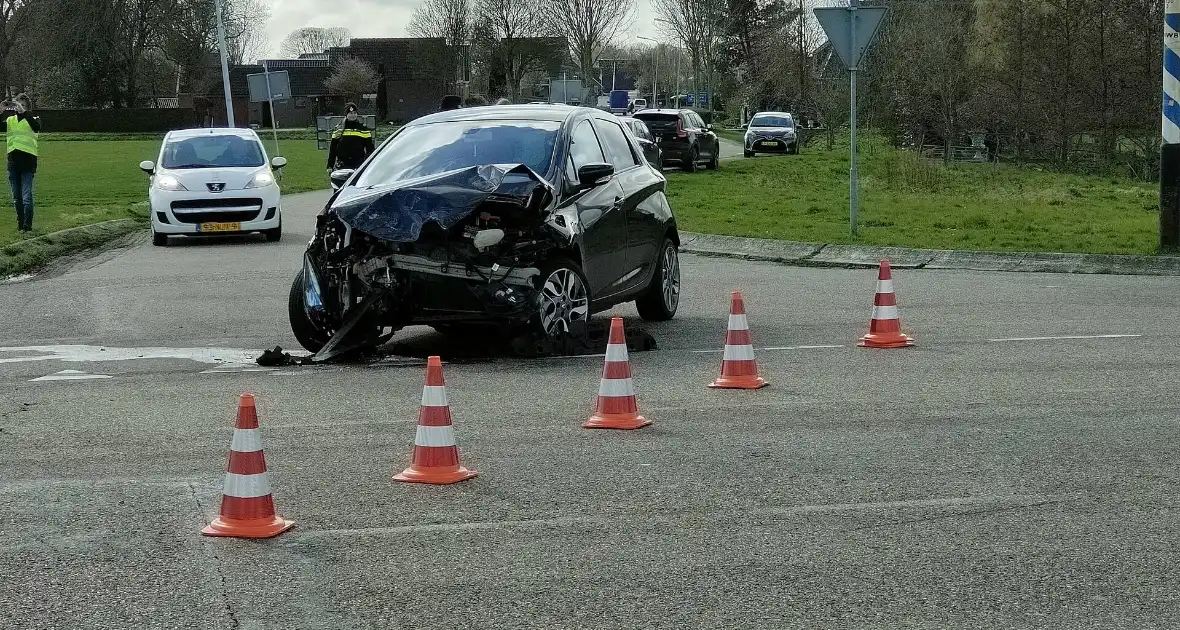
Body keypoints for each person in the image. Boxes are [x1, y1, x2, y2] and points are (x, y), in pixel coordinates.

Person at [5, 94, 40, 232]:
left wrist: (24, 112)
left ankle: (28, 226)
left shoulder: (33, 119)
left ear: (27, 108)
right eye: (18, 105)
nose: (19, 108)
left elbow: (36, 127)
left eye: (23, 105)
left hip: (28, 163)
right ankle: (20, 225)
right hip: (13, 163)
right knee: (17, 198)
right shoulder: (10, 120)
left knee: (26, 197)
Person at [326, 102, 375, 172]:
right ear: (346, 114)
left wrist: (366, 165)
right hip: (342, 165)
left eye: (355, 113)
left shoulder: (363, 128)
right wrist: (330, 165)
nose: (353, 115)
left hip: (358, 165)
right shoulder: (339, 129)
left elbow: (369, 149)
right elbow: (333, 149)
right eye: (350, 113)